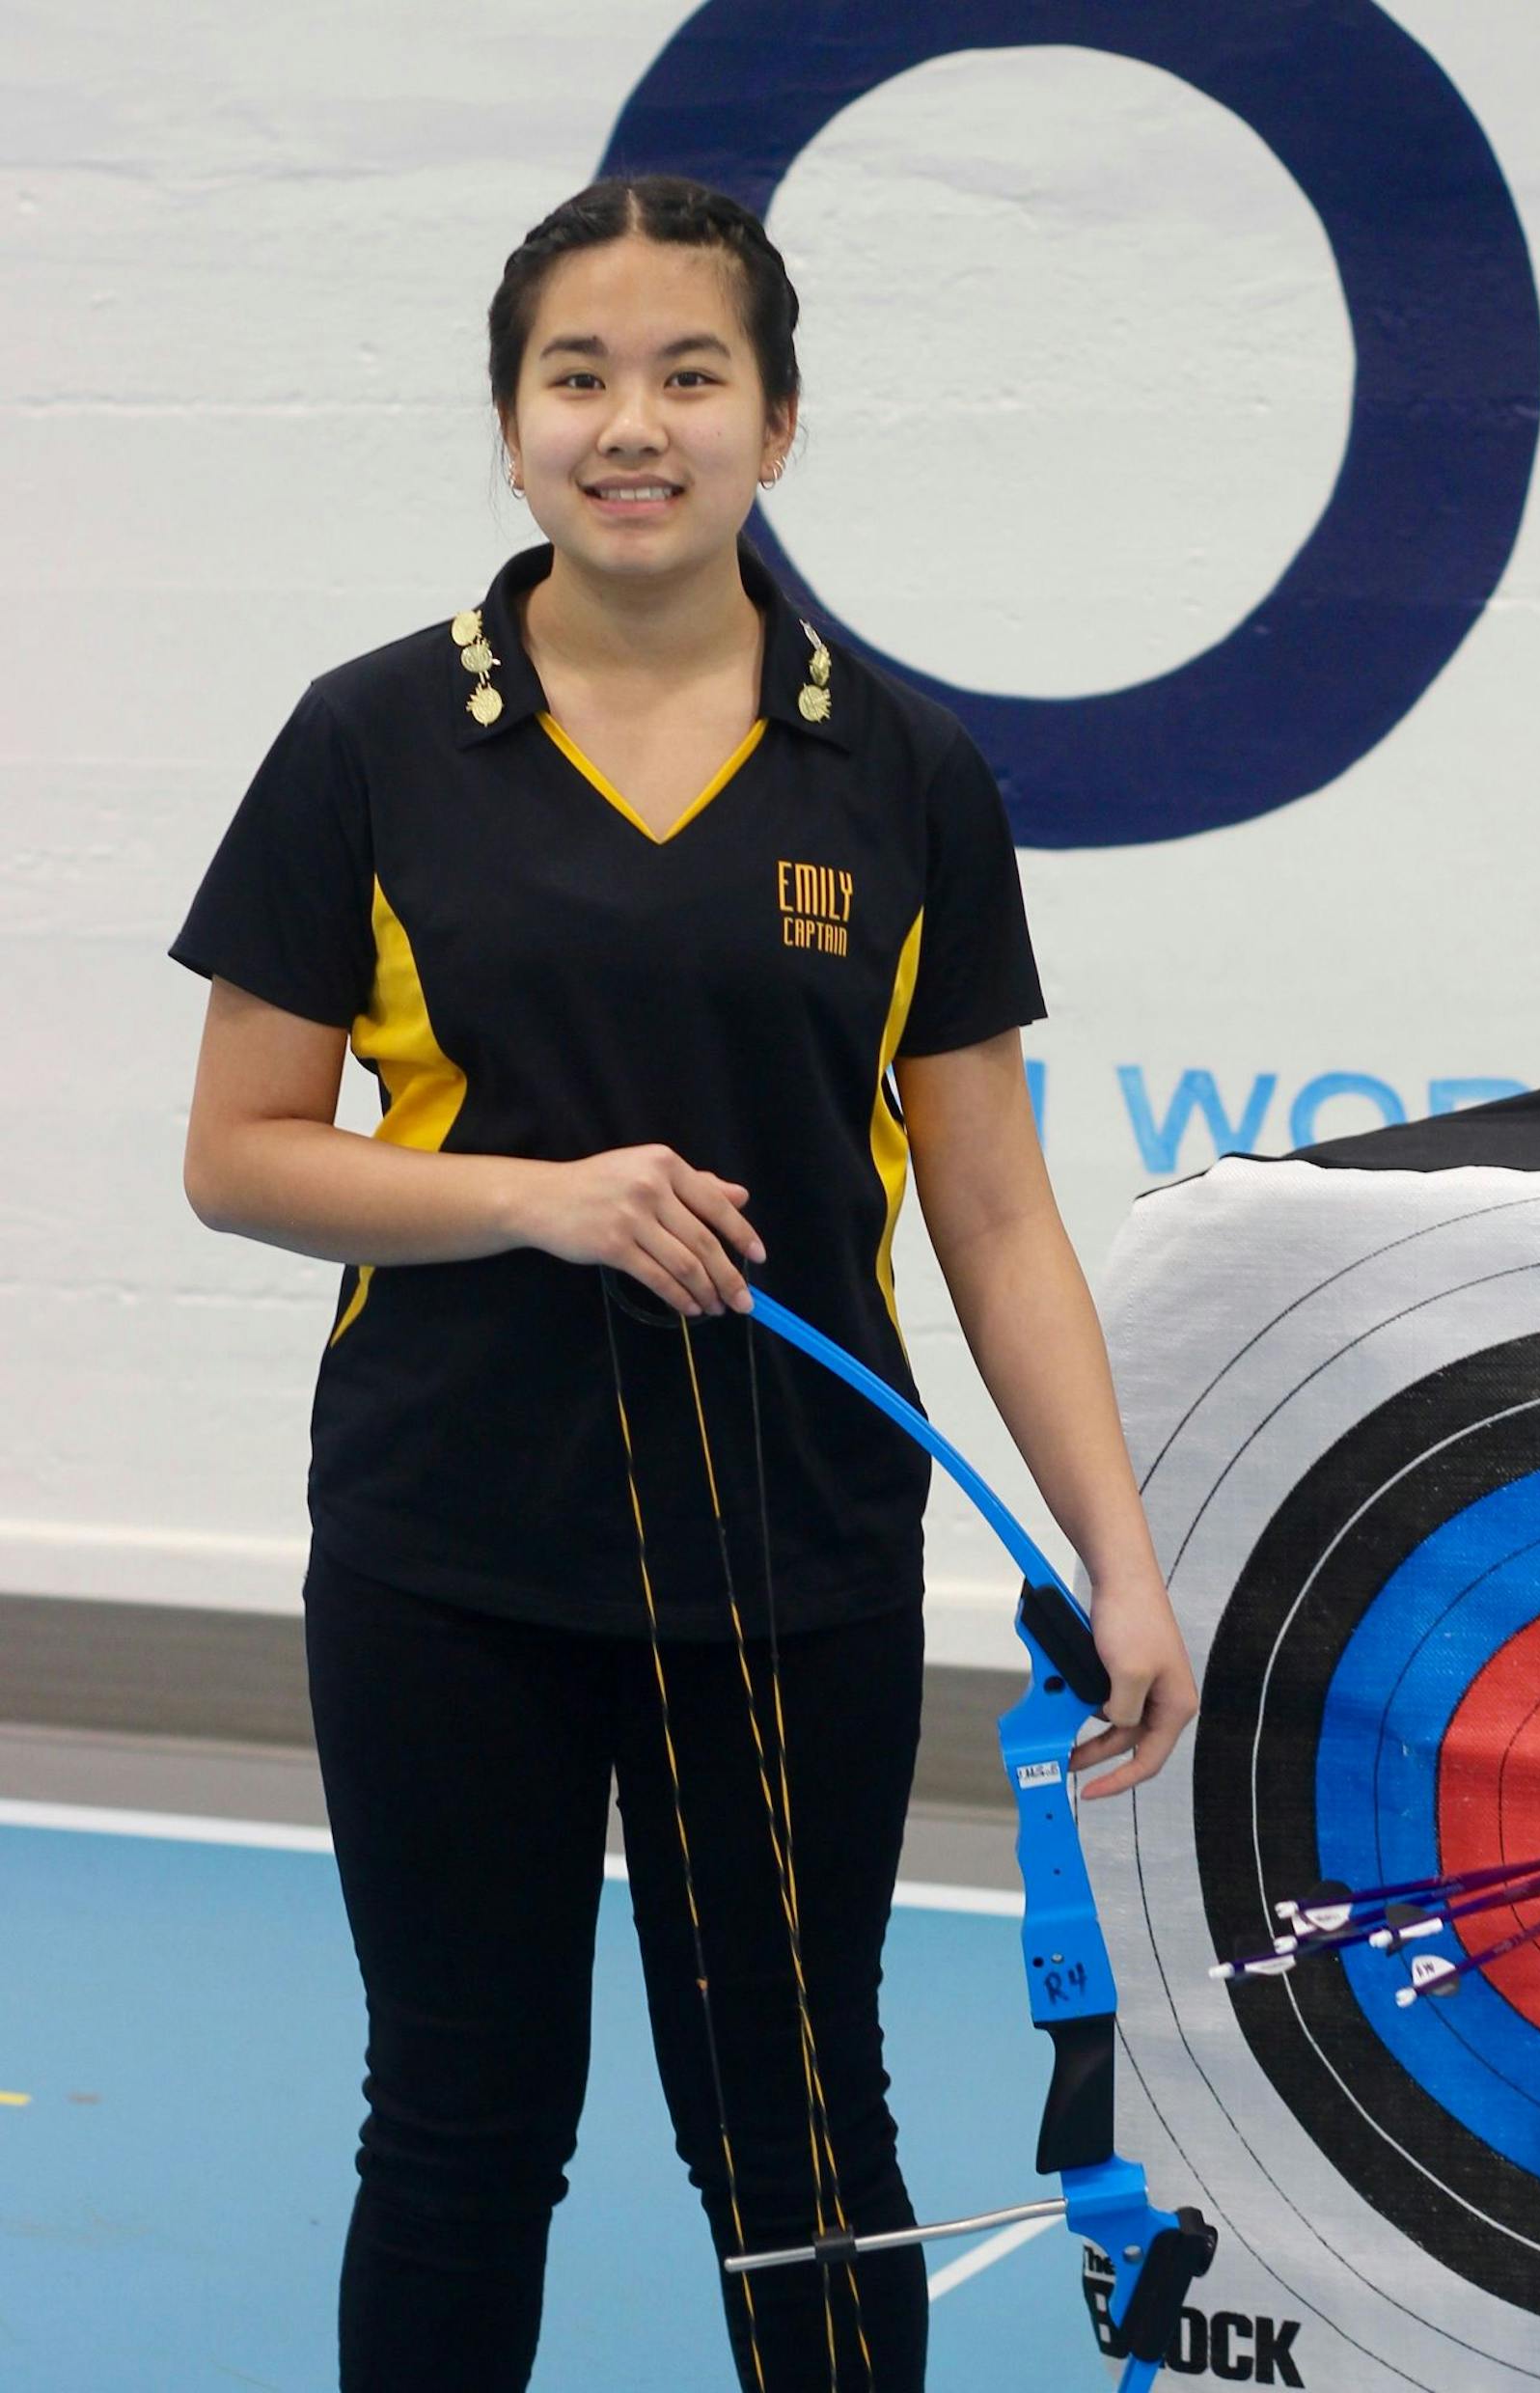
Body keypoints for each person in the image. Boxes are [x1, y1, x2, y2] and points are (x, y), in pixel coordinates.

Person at [171, 173, 1198, 2393]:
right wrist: (533, 1199)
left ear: (780, 420)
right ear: (514, 422)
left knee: (802, 2142)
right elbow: (236, 1156)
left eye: (690, 374)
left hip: (792, 1563)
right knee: (457, 2134)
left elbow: (996, 1206)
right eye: (579, 376)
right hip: (451, 1555)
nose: (632, 422)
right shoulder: (368, 741)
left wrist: (1120, 1562)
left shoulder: (907, 766)